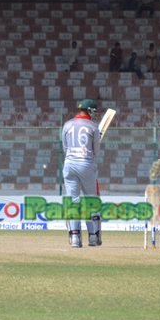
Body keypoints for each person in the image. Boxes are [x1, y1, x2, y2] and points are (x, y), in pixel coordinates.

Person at [62, 99, 102, 248]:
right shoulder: (93, 127)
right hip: (86, 164)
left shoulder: (67, 124)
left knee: (73, 201)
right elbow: (96, 152)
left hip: (69, 164)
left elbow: (65, 148)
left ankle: (75, 238)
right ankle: (92, 237)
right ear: (89, 111)